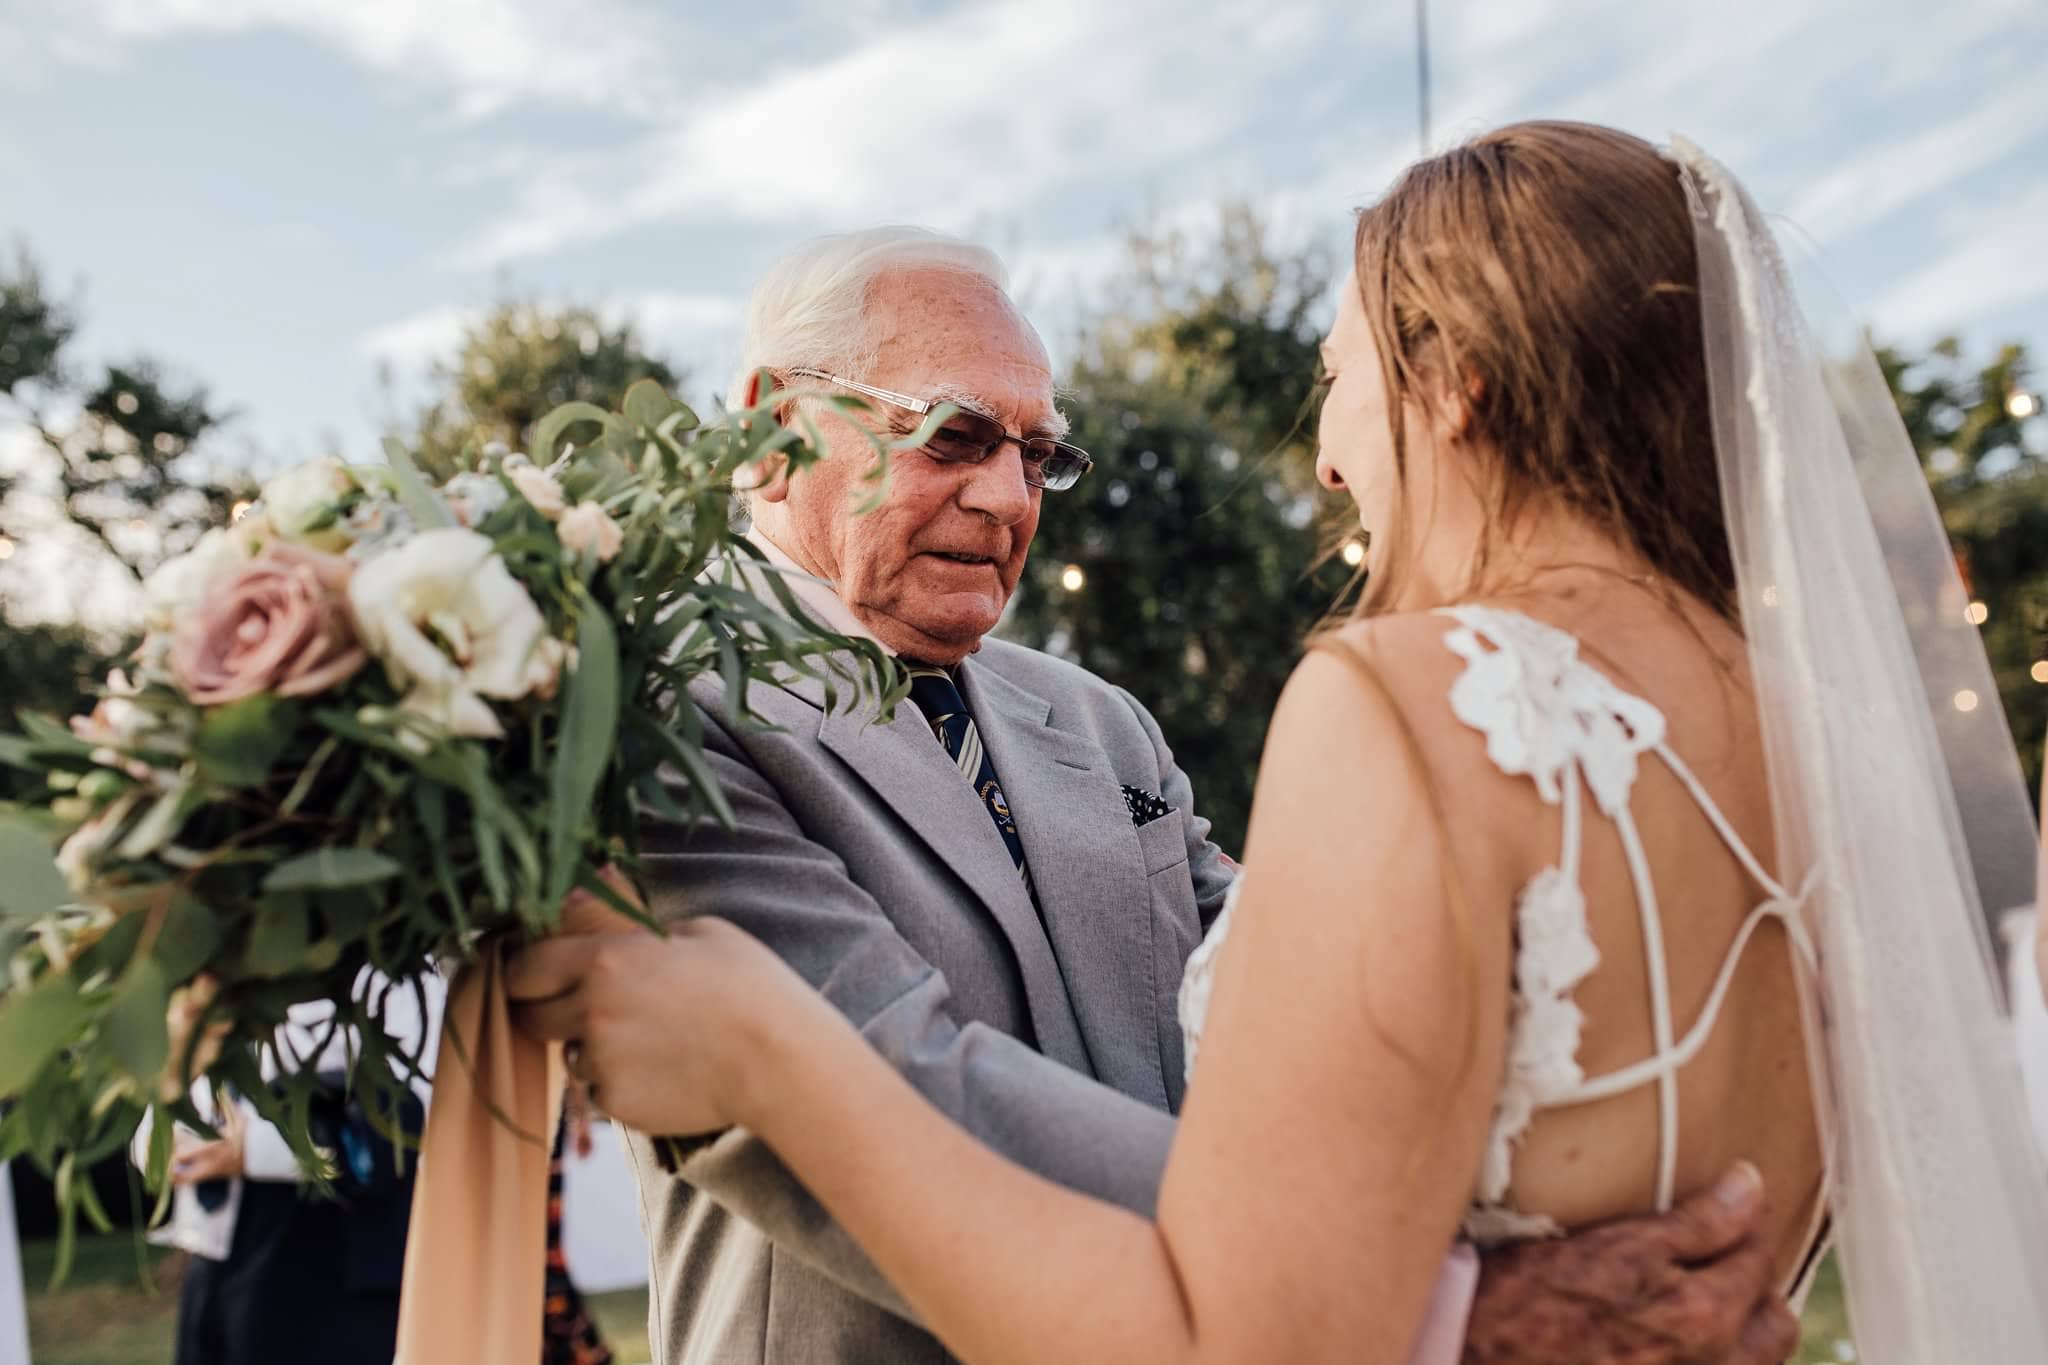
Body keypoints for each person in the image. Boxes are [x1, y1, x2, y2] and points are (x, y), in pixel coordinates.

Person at [509, 125, 2048, 1361]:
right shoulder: (642, 711)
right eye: (956, 435)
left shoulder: (1101, 719)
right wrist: (1423, 1304)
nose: (1012, 495)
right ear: (779, 419)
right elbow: (892, 1073)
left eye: (1039, 452)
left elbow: (1331, 987)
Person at [137, 973, 438, 1365]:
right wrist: (176, 1067)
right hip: (217, 1265)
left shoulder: (396, 976)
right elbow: (153, 1150)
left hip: (333, 1268)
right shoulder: (224, 981)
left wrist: (251, 1149)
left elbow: (409, 1124)